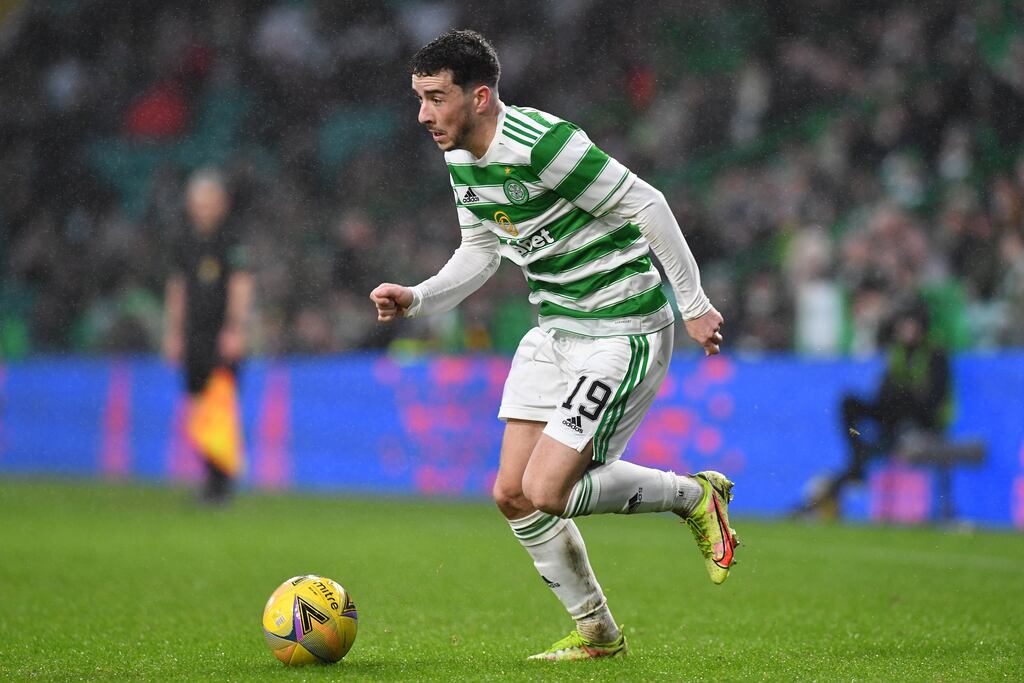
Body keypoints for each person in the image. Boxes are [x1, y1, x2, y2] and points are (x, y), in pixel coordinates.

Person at [370, 30, 737, 660]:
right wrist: (419, 297)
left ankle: (695, 496)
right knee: (512, 494)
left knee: (548, 490)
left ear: (480, 96)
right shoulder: (460, 154)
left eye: (435, 97)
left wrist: (693, 302)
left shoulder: (543, 145)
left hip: (622, 329)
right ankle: (598, 634)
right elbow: (483, 248)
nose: (423, 114)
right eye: (419, 98)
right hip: (557, 330)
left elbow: (647, 202)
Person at [799, 299, 952, 518]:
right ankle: (856, 455)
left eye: (910, 324)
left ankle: (845, 479)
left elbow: (935, 398)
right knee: (849, 402)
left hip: (923, 419)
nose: (905, 330)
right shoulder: (897, 352)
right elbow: (883, 394)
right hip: (894, 416)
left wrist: (902, 393)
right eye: (902, 325)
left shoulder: (934, 354)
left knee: (900, 398)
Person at [163, 168, 253, 505]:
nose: (203, 208)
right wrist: (173, 332)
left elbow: (241, 285)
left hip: (220, 336)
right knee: (198, 407)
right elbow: (178, 287)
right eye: (198, 202)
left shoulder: (231, 240)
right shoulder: (184, 241)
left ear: (222, 204)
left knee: (220, 406)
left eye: (209, 201)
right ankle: (210, 479)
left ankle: (221, 483)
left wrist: (234, 328)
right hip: (194, 336)